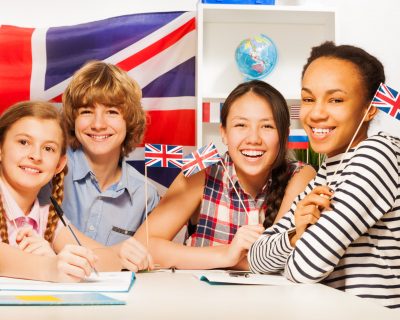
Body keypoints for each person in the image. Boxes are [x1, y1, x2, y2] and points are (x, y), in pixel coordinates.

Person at [248, 42, 400, 309]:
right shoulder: (327, 172)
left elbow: (305, 268)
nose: (316, 113)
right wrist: (295, 235)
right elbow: (256, 257)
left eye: (336, 100)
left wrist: (294, 246)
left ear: (370, 108)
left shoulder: (378, 154)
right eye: (308, 99)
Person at [135, 80, 316, 270]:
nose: (253, 139)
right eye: (241, 125)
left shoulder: (300, 176)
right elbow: (143, 245)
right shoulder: (202, 172)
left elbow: (279, 257)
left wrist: (237, 259)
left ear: (285, 135)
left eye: (267, 126)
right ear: (223, 133)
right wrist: (226, 255)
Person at [0, 101, 148, 282]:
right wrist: (48, 266)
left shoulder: (46, 214)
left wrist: (122, 253)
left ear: (60, 164)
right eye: (24, 142)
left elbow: (95, 256)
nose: (36, 156)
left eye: (48, 148)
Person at [58, 60, 159, 249]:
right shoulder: (51, 171)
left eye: (112, 112)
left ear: (129, 121)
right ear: (73, 119)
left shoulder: (145, 195)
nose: (98, 124)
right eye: (86, 111)